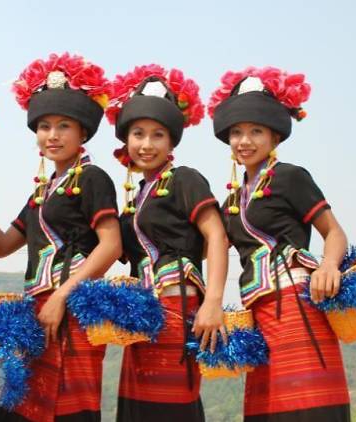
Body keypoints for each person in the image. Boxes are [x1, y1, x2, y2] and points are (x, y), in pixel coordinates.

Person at [0, 52, 122, 422]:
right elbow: (2, 246)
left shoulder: (93, 178)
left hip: (72, 307)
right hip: (37, 309)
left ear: (82, 133)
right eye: (44, 126)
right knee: (23, 404)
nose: (52, 135)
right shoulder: (43, 192)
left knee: (68, 406)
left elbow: (111, 244)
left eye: (64, 126)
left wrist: (62, 295)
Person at [208, 66, 351, 421]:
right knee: (266, 408)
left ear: (275, 137)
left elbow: (334, 232)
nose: (245, 141)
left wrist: (330, 265)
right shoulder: (233, 199)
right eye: (237, 132)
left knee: (307, 407)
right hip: (258, 315)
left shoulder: (291, 177)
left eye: (256, 131)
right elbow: (212, 248)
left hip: (300, 307)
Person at [106, 64, 229, 422]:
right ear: (127, 140)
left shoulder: (185, 179)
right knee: (138, 407)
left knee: (171, 405)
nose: (146, 144)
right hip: (142, 317)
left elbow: (216, 236)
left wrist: (214, 302)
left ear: (171, 141)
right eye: (138, 134)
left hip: (178, 308)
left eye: (157, 135)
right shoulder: (136, 196)